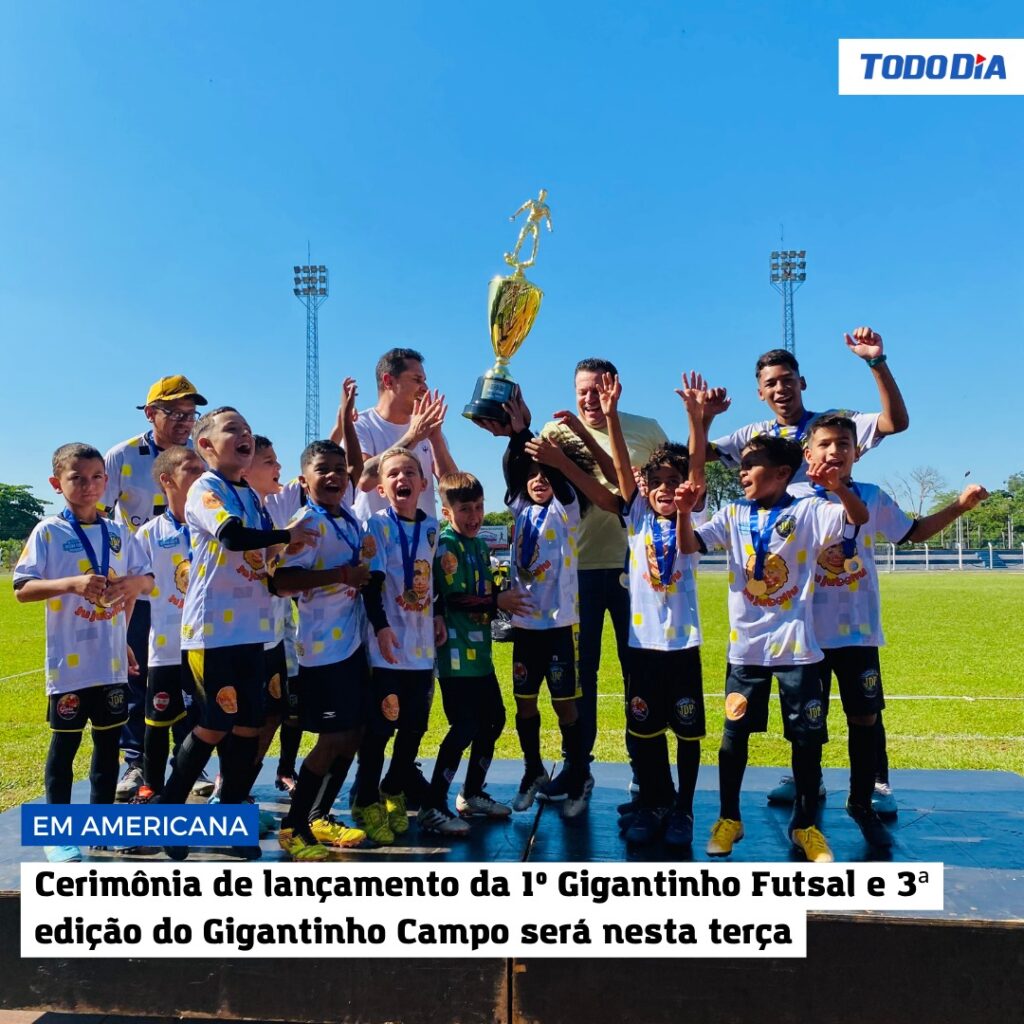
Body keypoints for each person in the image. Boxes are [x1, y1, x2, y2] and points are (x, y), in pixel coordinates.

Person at [704, 328, 909, 813]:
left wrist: (875, 362)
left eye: (788, 379)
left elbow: (894, 422)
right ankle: (805, 781)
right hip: (797, 607)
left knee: (862, 704)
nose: (781, 389)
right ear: (760, 391)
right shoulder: (752, 435)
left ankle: (874, 783)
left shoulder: (831, 425)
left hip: (845, 598)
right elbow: (699, 456)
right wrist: (700, 418)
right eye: (771, 383)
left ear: (803, 382)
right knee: (803, 708)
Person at [676, 434, 869, 863]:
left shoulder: (808, 510)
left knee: (806, 741)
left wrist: (837, 487)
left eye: (751, 464)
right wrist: (684, 513)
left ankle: (805, 826)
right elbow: (689, 545)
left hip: (798, 649)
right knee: (733, 738)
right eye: (741, 465)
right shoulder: (732, 513)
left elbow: (858, 516)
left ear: (782, 473)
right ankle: (729, 818)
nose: (742, 472)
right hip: (746, 650)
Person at [803, 414, 989, 845]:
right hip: (805, 634)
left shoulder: (871, 496)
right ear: (808, 453)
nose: (835, 451)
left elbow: (913, 533)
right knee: (808, 723)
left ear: (856, 452)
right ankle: (806, 804)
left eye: (844, 443)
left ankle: (861, 801)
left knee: (864, 717)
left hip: (857, 631)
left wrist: (959, 507)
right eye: (825, 443)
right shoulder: (790, 498)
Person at [154, 408, 317, 861]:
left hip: (256, 631)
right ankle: (169, 810)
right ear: (205, 445)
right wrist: (285, 535)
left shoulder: (252, 496)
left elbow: (261, 557)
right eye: (233, 430)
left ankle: (229, 822)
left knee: (249, 726)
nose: (245, 434)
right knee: (213, 724)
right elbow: (231, 537)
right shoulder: (206, 488)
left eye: (247, 429)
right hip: (213, 632)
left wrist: (290, 557)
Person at [14, 443, 154, 863]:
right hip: (70, 664)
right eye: (77, 478)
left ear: (106, 482)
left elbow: (144, 580)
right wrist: (71, 584)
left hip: (109, 661)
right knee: (65, 747)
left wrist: (130, 605)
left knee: (108, 747)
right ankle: (57, 833)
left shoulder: (117, 533)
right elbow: (22, 589)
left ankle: (101, 826)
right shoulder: (49, 531)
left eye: (96, 477)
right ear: (57, 483)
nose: (88, 485)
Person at [586, 373, 709, 846]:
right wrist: (612, 415)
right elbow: (621, 466)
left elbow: (695, 470)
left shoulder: (690, 518)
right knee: (645, 731)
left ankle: (684, 810)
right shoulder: (636, 516)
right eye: (655, 482)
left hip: (682, 646)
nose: (664, 489)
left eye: (673, 482)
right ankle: (656, 801)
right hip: (641, 646)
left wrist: (695, 420)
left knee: (687, 733)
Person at [538, 358, 668, 802]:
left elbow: (646, 492)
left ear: (615, 386)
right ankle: (577, 766)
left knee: (639, 671)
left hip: (638, 572)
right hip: (577, 571)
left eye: (597, 389)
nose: (589, 398)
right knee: (580, 675)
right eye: (582, 390)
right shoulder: (555, 433)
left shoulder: (646, 430)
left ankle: (644, 766)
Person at [101, 374, 209, 800]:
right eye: (175, 413)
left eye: (190, 414)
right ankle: (136, 762)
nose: (185, 422)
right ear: (151, 413)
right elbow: (100, 516)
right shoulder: (123, 456)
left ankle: (190, 760)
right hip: (138, 584)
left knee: (191, 675)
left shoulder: (200, 455)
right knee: (137, 675)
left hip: (190, 587)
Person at [498, 392, 605, 820]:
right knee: (525, 703)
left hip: (560, 627)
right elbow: (513, 467)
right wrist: (518, 435)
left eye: (545, 474)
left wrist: (537, 441)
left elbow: (559, 479)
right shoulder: (519, 506)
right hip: (525, 628)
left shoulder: (567, 509)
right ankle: (533, 770)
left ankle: (578, 775)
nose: (538, 480)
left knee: (565, 706)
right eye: (532, 474)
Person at [273, 439, 373, 860]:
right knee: (333, 739)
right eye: (323, 469)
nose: (333, 475)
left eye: (339, 468)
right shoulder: (307, 522)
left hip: (352, 644)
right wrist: (341, 575)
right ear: (303, 480)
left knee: (354, 733)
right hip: (322, 648)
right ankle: (293, 827)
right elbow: (281, 582)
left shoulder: (345, 515)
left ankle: (319, 816)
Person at [419, 472, 533, 835]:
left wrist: (502, 596)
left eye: (479, 507)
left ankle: (471, 794)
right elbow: (454, 598)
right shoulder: (446, 545)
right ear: (447, 511)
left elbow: (484, 592)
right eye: (465, 508)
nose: (475, 516)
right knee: (465, 725)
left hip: (480, 655)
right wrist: (498, 601)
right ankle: (432, 805)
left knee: (494, 720)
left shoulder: (480, 547)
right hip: (455, 657)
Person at [350, 446, 444, 844]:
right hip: (386, 647)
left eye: (409, 473)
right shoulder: (375, 526)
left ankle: (392, 788)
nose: (402, 479)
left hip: (421, 649)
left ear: (423, 484)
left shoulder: (432, 528)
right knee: (380, 728)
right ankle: (365, 799)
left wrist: (437, 615)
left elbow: (432, 579)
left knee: (414, 726)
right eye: (393, 474)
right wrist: (382, 627)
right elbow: (371, 584)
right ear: (382, 488)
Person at [133, 445, 205, 795]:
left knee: (202, 719)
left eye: (203, 470)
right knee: (158, 719)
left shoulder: (211, 529)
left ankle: (191, 776)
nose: (201, 476)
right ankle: (151, 784)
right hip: (165, 645)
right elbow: (137, 591)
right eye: (192, 470)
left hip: (206, 643)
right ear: (167, 480)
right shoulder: (148, 534)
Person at [353, 348, 457, 521]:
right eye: (417, 380)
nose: (425, 388)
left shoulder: (425, 428)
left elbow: (455, 489)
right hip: (374, 536)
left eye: (424, 381)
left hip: (422, 536)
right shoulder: (361, 425)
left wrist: (436, 438)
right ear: (388, 381)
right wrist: (412, 438)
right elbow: (362, 480)